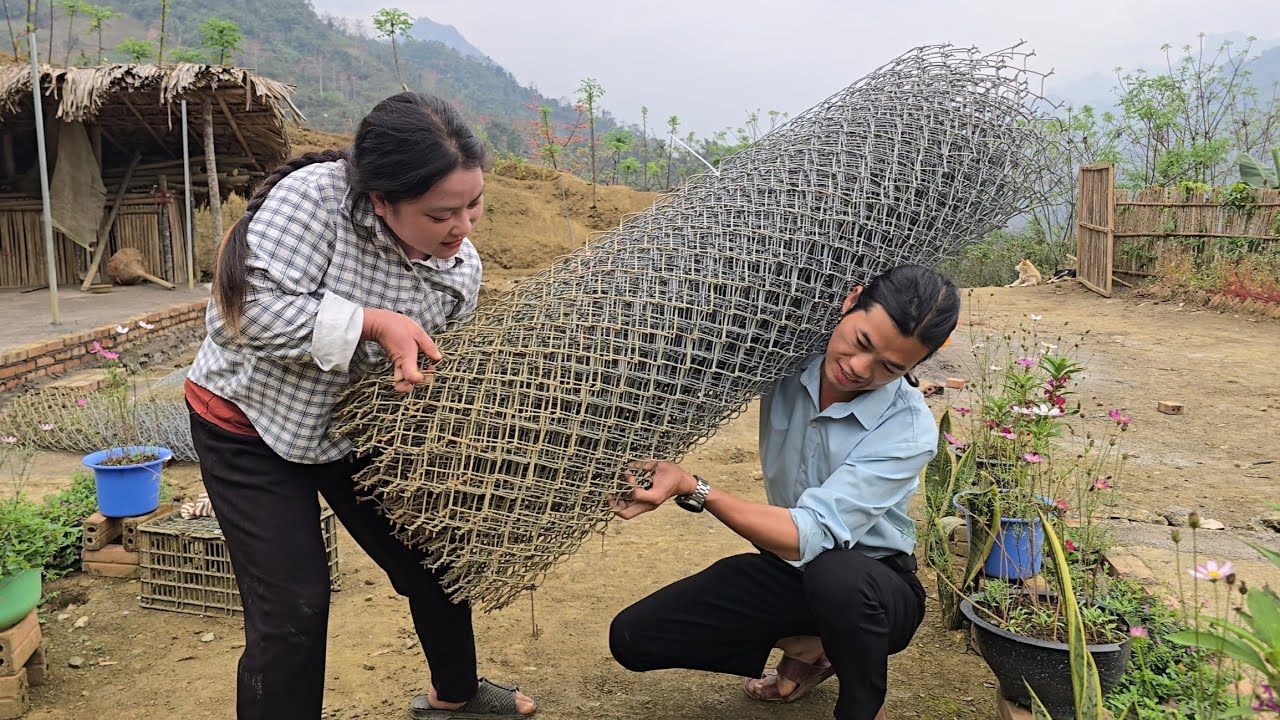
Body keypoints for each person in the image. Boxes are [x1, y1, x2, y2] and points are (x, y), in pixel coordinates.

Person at [185, 92, 537, 720]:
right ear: (381, 201)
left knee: (436, 556)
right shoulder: (312, 204)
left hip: (353, 427)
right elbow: (240, 316)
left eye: (474, 205)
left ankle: (454, 694)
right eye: (441, 214)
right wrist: (373, 323)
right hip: (248, 422)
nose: (463, 228)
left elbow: (434, 361)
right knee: (294, 606)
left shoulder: (459, 271)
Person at [608, 264, 960, 720]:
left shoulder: (907, 429)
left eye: (890, 368)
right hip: (790, 571)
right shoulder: (785, 357)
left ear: (913, 368)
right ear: (851, 301)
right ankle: (813, 645)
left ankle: (860, 706)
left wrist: (693, 486)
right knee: (635, 638)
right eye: (862, 342)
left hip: (876, 588)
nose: (858, 368)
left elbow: (810, 534)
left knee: (836, 576)